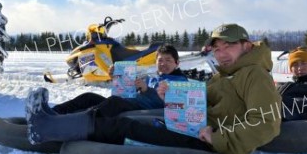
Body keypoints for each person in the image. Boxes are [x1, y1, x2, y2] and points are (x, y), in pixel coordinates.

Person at [27, 24, 282, 154]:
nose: (221, 53)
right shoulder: (225, 75)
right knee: (120, 118)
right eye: (217, 49)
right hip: (192, 127)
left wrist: (219, 138)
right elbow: (200, 100)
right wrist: (172, 98)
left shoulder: (254, 74)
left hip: (209, 144)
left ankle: (48, 128)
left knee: (125, 128)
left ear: (247, 46)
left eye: (229, 46)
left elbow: (267, 123)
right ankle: (56, 121)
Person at [25, 44, 188, 121]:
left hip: (145, 113)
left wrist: (146, 90)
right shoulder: (153, 77)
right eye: (160, 60)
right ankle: (50, 113)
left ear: (177, 63)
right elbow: (127, 91)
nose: (163, 64)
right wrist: (118, 79)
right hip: (130, 104)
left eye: (168, 60)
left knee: (113, 103)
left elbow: (171, 105)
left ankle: (65, 122)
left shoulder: (181, 82)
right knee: (88, 97)